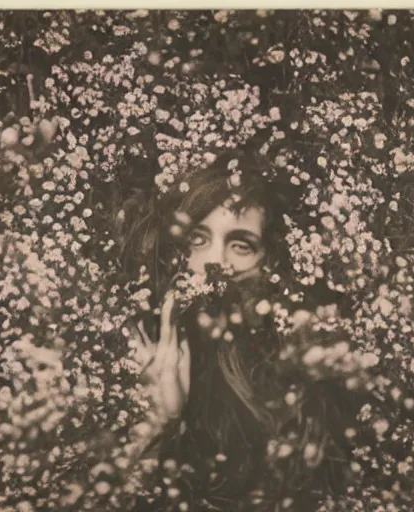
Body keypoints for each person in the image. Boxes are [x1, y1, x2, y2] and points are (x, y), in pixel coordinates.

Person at [115, 148, 358, 510]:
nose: (215, 263)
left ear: (269, 265)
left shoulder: (292, 387)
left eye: (241, 246)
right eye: (197, 240)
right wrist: (157, 424)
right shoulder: (123, 357)